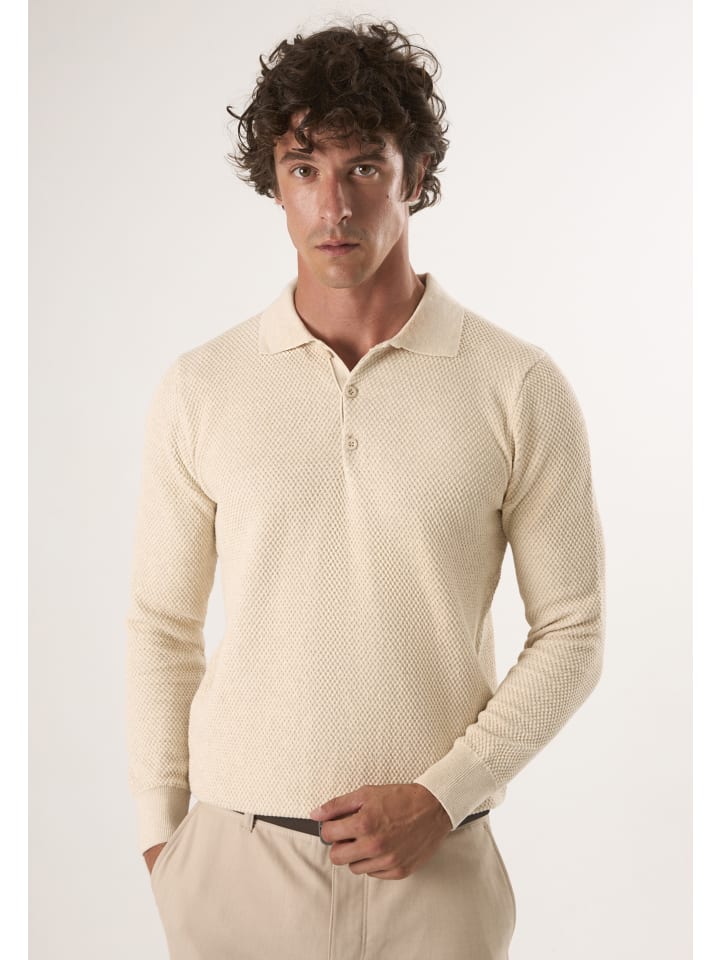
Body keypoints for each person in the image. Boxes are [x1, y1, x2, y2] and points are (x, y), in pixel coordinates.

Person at [125, 19, 605, 960]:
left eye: (364, 168)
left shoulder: (515, 384)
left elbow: (575, 630)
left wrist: (445, 793)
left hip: (436, 868)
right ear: (274, 182)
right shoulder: (202, 387)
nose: (333, 205)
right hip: (235, 868)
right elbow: (161, 625)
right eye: (304, 168)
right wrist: (163, 839)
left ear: (415, 175)